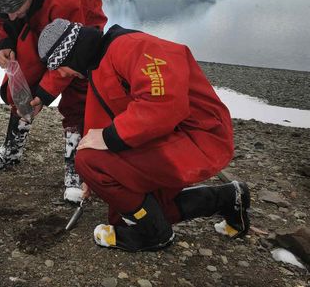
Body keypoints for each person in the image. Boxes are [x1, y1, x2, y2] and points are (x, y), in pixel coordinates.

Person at [37, 18, 250, 252]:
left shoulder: (133, 47)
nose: (63, 74)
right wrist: (94, 176)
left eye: (59, 67)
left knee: (89, 160)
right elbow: (97, 127)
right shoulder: (98, 67)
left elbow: (163, 103)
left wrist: (105, 144)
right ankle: (230, 198)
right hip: (166, 136)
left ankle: (155, 235)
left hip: (199, 136)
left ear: (71, 55)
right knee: (136, 211)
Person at [0, 0, 107, 203]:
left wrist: (45, 94)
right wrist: (4, 43)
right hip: (37, 22)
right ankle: (12, 150)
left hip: (81, 30)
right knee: (21, 86)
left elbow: (66, 62)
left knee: (77, 97)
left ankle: (76, 170)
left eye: (16, 10)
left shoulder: (64, 0)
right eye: (7, 11)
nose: (12, 16)